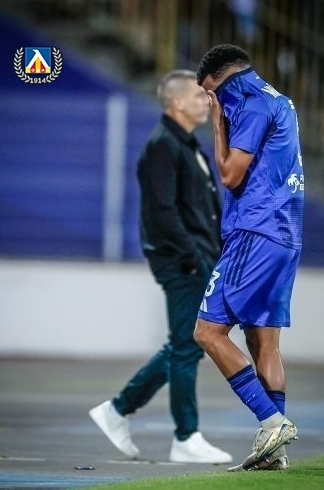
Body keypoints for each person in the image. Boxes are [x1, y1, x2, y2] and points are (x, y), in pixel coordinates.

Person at [89, 70, 232, 464]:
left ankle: (118, 409)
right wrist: (194, 258)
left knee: (184, 344)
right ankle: (185, 436)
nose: (207, 101)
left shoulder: (186, 144)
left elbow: (202, 212)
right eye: (199, 96)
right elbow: (162, 214)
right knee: (187, 346)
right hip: (183, 262)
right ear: (177, 103)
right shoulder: (163, 147)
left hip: (198, 259)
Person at [194, 44, 304, 471]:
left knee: (208, 332)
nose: (212, 102)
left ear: (222, 80)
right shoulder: (279, 100)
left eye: (210, 93)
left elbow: (229, 174)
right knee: (263, 341)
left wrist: (217, 125)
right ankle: (274, 453)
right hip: (285, 234)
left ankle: (272, 422)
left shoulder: (250, 104)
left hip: (256, 231)